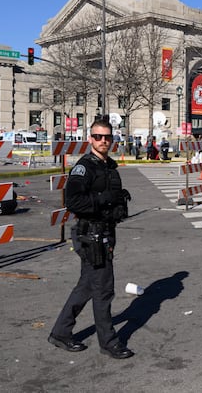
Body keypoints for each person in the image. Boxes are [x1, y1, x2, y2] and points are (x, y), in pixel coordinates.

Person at [49, 119, 134, 359]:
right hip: (92, 235)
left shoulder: (109, 166)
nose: (103, 141)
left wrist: (119, 200)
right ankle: (109, 342)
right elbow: (73, 201)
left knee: (87, 285)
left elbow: (109, 195)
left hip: (105, 232)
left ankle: (60, 332)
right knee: (103, 289)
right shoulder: (84, 167)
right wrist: (104, 199)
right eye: (98, 137)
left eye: (107, 137)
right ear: (90, 139)